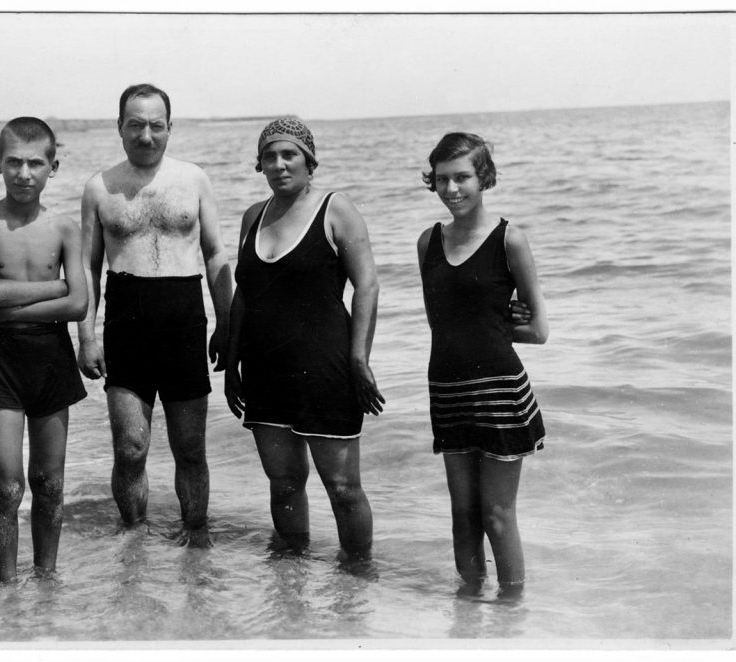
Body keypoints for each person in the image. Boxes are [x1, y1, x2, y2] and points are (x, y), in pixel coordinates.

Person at [224, 116, 384, 560]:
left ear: (309, 161)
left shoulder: (336, 209)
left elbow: (367, 286)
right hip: (265, 371)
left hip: (325, 369)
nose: (279, 164)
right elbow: (243, 294)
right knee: (284, 483)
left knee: (343, 488)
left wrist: (359, 359)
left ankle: (358, 577)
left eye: (289, 154)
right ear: (259, 165)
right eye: (269, 157)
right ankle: (290, 576)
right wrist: (232, 364)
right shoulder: (253, 217)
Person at [77, 83, 232, 539]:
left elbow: (215, 255)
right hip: (126, 320)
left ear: (169, 127)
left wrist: (227, 324)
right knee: (130, 448)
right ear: (120, 128)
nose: (146, 136)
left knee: (190, 448)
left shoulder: (194, 179)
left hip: (184, 318)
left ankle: (196, 539)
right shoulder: (99, 187)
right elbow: (87, 268)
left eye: (156, 126)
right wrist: (86, 337)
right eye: (136, 125)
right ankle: (134, 540)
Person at [416, 132, 548, 599]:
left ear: (484, 178)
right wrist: (484, 321)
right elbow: (439, 323)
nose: (452, 189)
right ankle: (468, 609)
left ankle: (512, 611)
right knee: (462, 515)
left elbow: (539, 330)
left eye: (462, 178)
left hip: (499, 393)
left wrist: (492, 324)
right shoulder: (427, 242)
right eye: (442, 179)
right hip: (448, 389)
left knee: (497, 514)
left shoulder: (510, 240)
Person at [0, 117, 89, 582]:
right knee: (8, 484)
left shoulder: (65, 228)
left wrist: (2, 310)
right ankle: (6, 588)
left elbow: (78, 305)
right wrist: (56, 288)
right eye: (14, 162)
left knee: (49, 482)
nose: (24, 173)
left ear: (53, 167)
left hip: (52, 360)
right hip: (1, 362)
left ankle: (47, 580)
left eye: (36, 163)